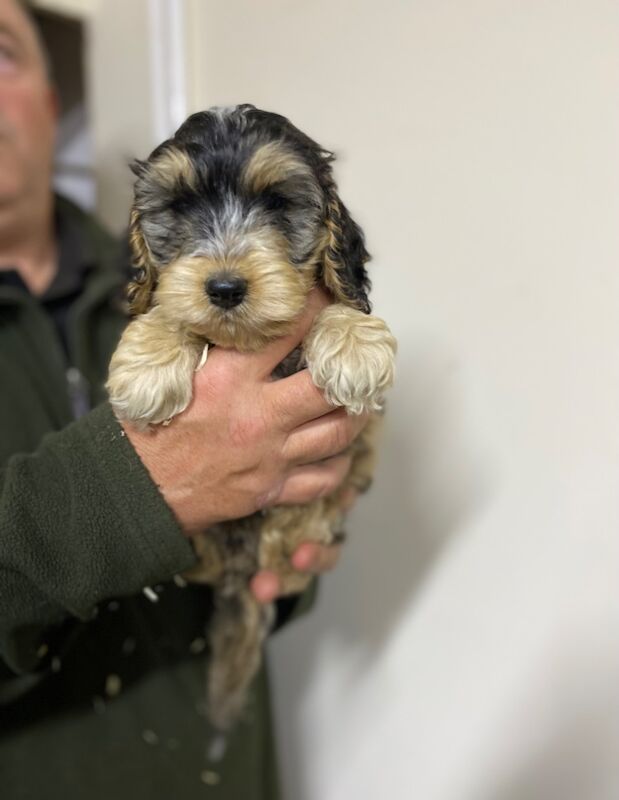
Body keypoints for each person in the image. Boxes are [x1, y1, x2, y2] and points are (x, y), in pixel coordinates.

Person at [0, 1, 366, 797]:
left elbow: (276, 482)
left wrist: (298, 540)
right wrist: (139, 488)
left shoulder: (143, 275)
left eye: (1, 53)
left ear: (52, 97)